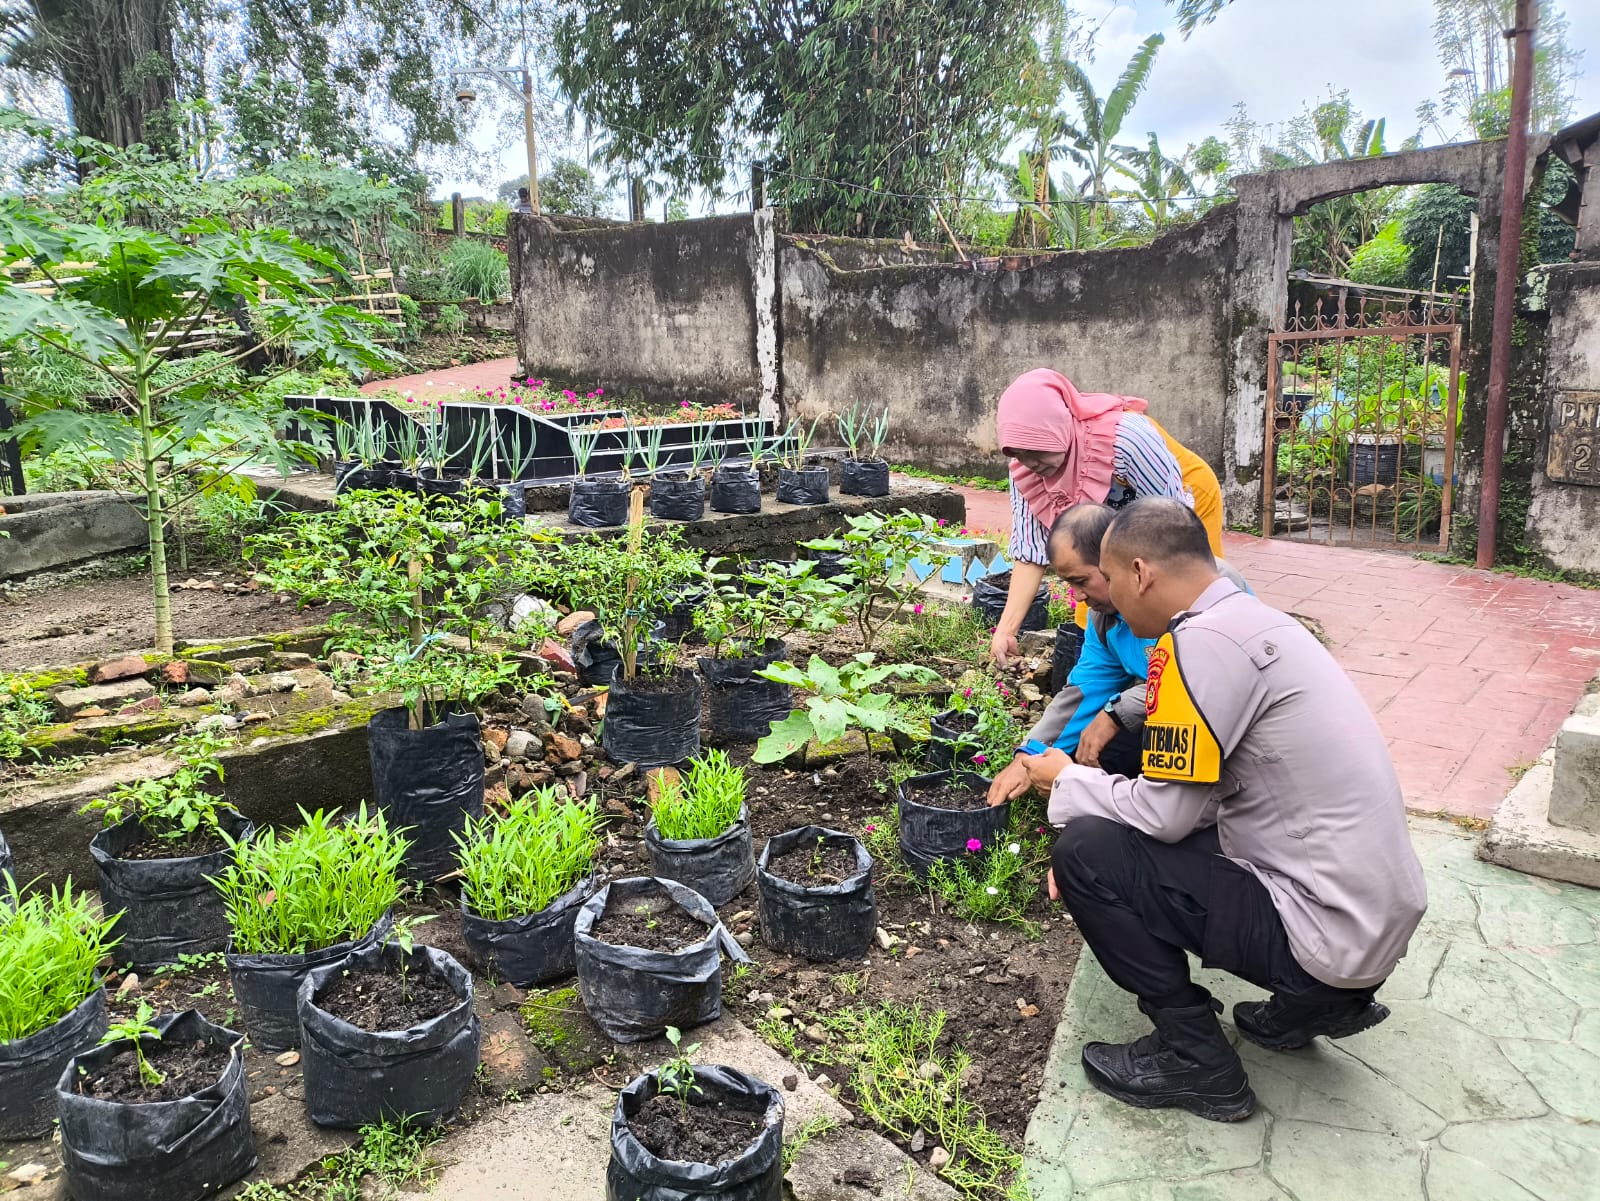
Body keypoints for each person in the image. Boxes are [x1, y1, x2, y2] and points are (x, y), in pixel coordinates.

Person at [1012, 497, 1426, 1123]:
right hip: (1373, 923)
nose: (1111, 603)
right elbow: (1212, 798)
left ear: (1141, 571)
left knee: (1087, 854)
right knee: (1129, 823)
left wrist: (1067, 781)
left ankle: (1194, 1057)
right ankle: (1318, 1006)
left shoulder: (1194, 648)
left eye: (1111, 579)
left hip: (1322, 932)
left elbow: (1167, 817)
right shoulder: (1264, 622)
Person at [986, 503, 1250, 803]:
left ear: (1119, 562)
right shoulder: (1105, 617)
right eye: (1069, 584)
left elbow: (1200, 682)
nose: (1078, 596)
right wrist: (1029, 753)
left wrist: (1115, 712)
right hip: (1158, 716)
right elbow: (1086, 689)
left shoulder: (1201, 588)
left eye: (1082, 581)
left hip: (1221, 730)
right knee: (1092, 754)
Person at [990, 368, 1225, 667]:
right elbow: (1030, 551)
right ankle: (1119, 670)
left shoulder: (1127, 439)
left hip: (1180, 501)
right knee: (1096, 599)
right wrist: (1006, 630)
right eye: (1019, 453)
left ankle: (1189, 663)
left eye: (1037, 449)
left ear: (1059, 427)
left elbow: (1171, 529)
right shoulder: (1026, 471)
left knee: (1175, 594)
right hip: (1112, 515)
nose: (1030, 462)